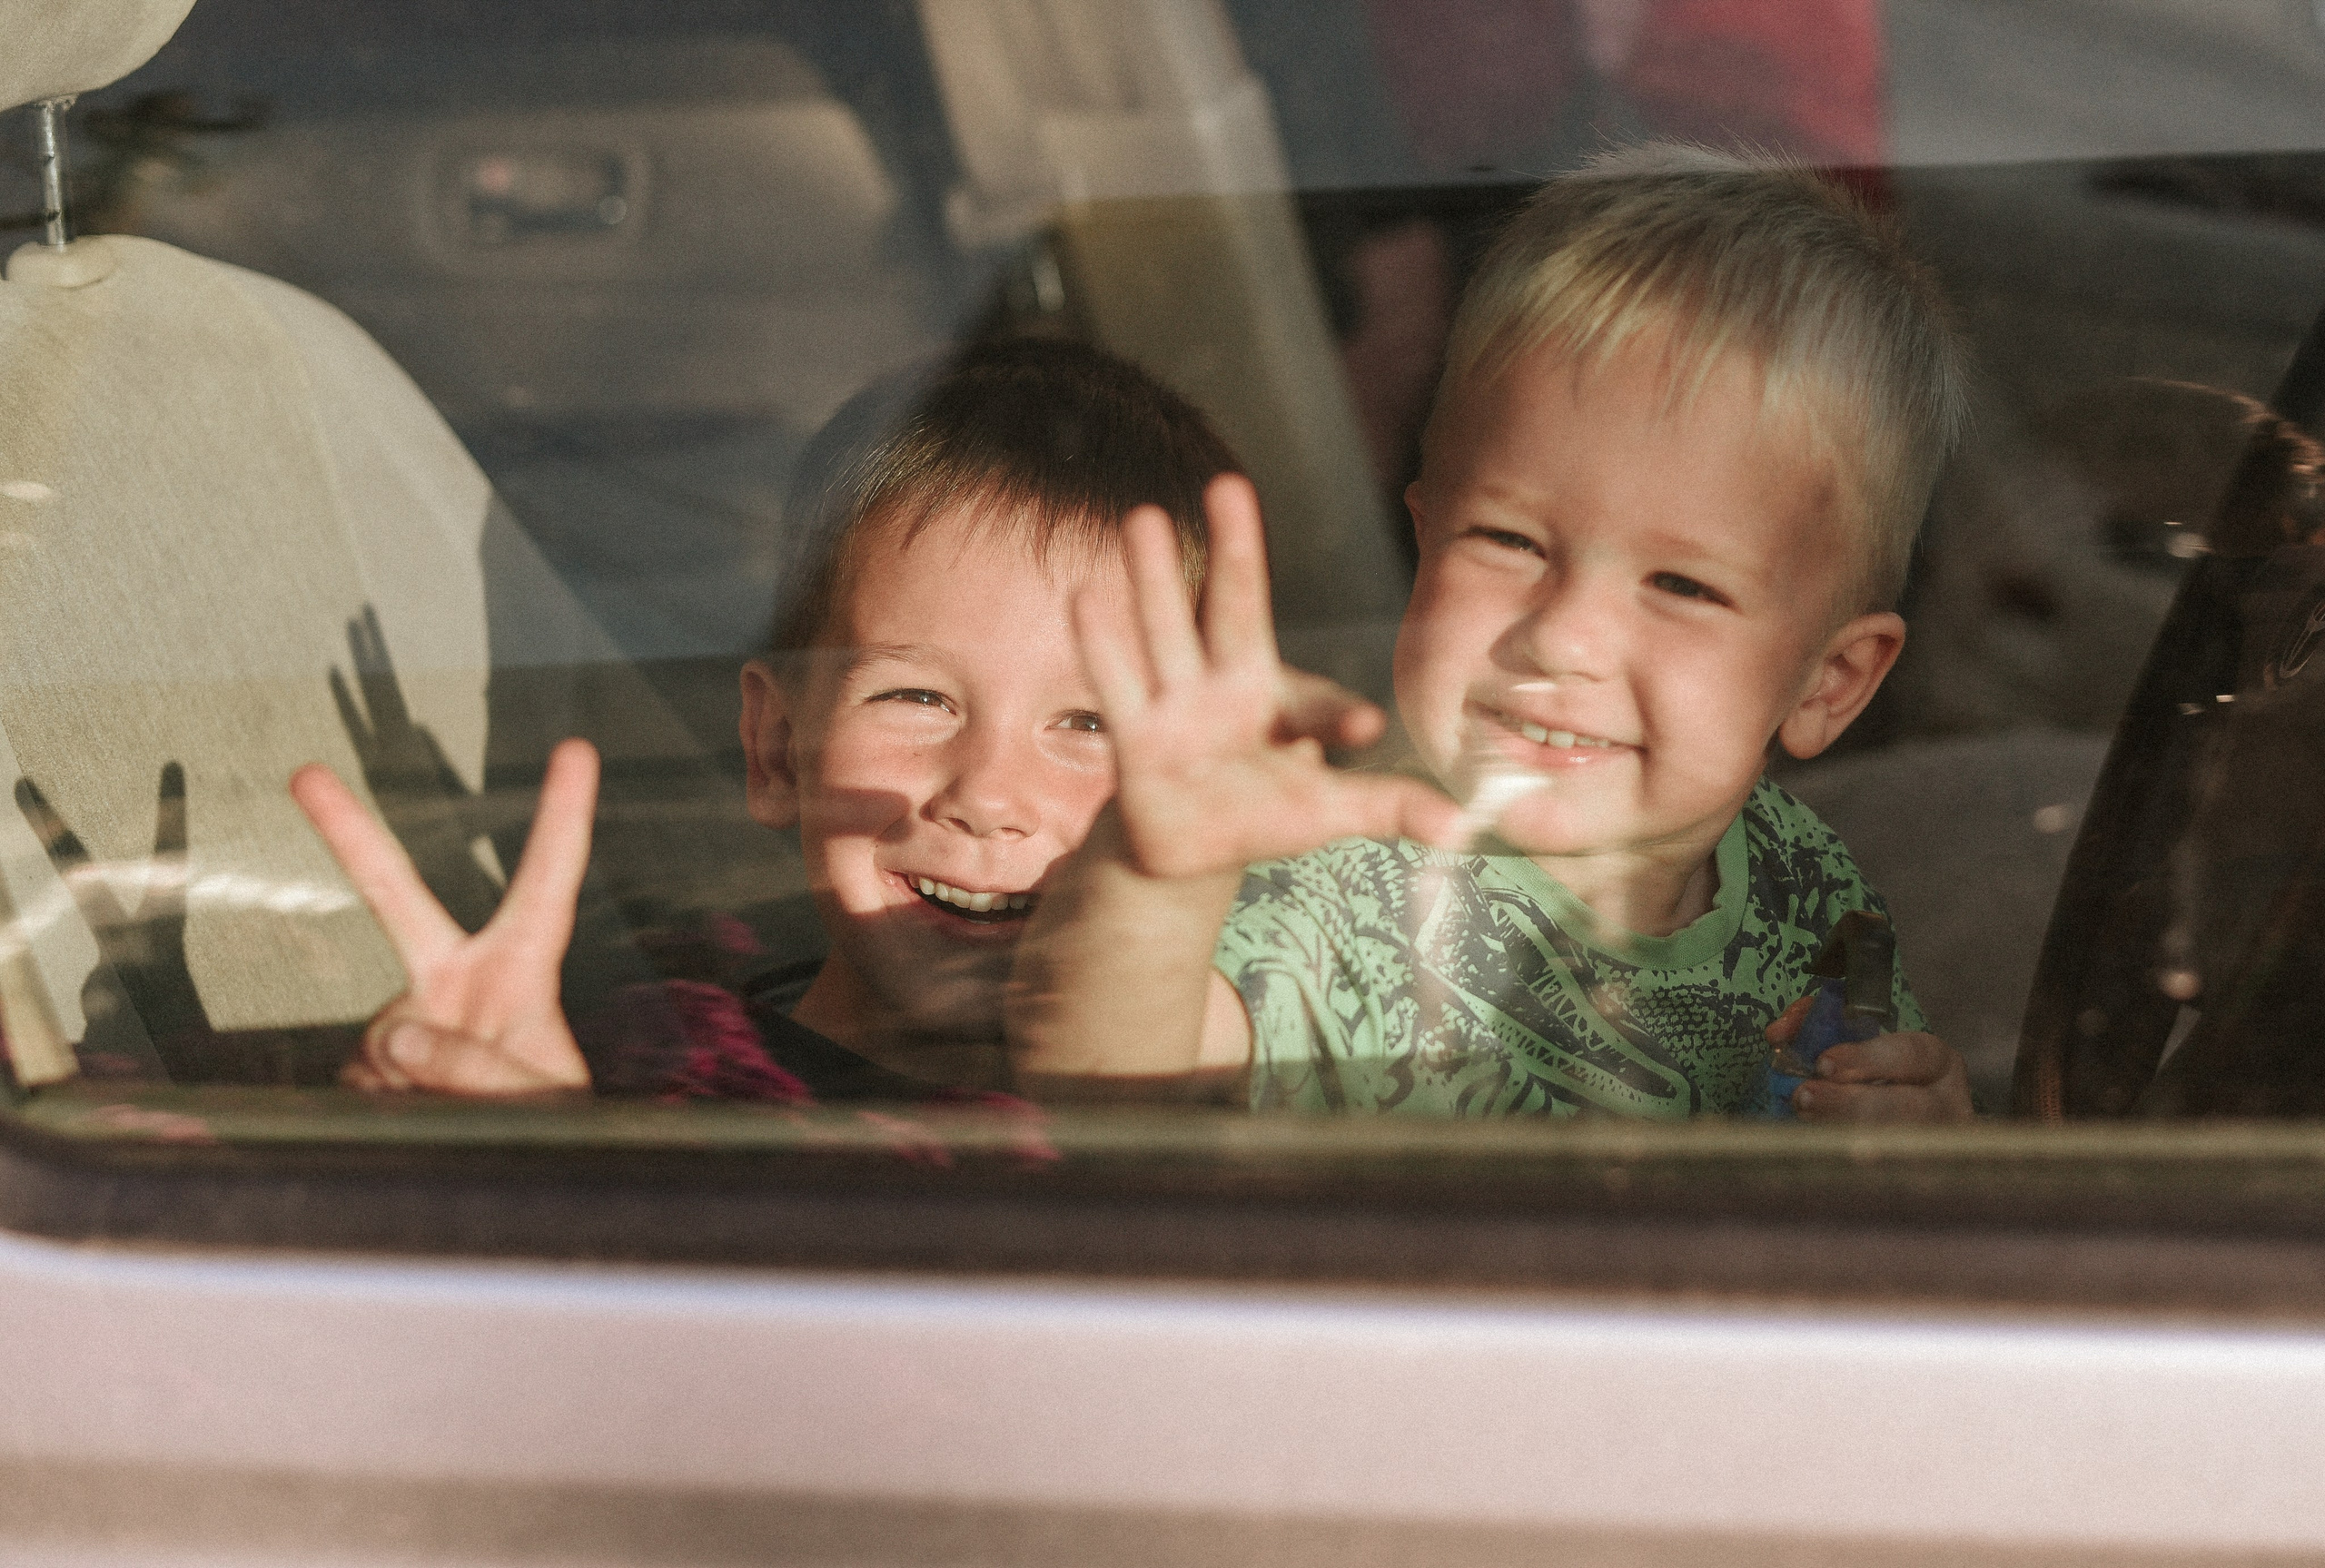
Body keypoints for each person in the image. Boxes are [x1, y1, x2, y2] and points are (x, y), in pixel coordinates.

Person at [1006, 152, 1976, 1120]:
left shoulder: (1808, 881)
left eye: (1681, 584)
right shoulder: (1334, 878)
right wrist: (1154, 886)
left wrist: (1919, 1124)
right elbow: (1106, 1094)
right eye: (1508, 540)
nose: (1563, 637)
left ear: (1829, 681)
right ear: (1424, 536)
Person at [291, 338, 1233, 1101]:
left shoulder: (1249, 1050)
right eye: (917, 698)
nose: (986, 797)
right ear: (779, 748)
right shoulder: (685, 1082)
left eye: (1089, 722)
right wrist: (534, 1153)